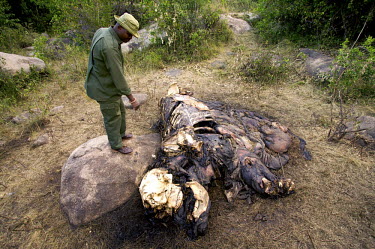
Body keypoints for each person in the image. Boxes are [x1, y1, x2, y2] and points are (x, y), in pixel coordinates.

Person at [84, 13, 141, 154]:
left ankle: (121, 134)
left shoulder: (102, 31)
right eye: (129, 33)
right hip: (103, 87)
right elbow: (118, 76)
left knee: (120, 110)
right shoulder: (109, 47)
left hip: (106, 82)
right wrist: (132, 99)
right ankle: (116, 144)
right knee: (112, 116)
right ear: (120, 27)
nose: (130, 37)